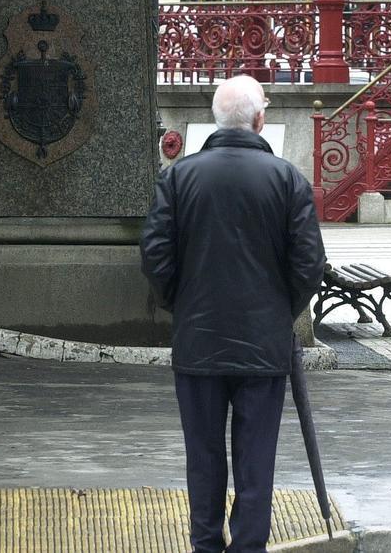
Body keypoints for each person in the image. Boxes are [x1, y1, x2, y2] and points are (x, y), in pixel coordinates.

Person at [140, 75, 326, 553]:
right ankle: (248, 546)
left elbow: (156, 256)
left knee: (202, 457)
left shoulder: (178, 177)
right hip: (263, 345)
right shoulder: (288, 180)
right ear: (260, 119)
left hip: (197, 340)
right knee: (255, 458)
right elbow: (309, 267)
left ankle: (205, 544)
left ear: (214, 120)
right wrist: (279, 309)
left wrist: (180, 304)